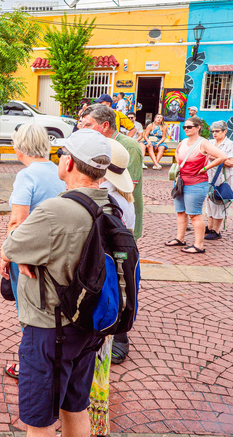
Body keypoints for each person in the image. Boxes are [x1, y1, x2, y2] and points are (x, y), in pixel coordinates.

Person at [1, 129, 110, 437]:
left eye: (64, 155)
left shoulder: (56, 211)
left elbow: (11, 246)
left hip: (51, 327)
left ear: (71, 164)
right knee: (76, 407)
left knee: (39, 422)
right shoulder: (111, 205)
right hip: (89, 324)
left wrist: (24, 251)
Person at [78, 104, 143, 365]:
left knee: (116, 289)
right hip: (114, 250)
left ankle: (117, 337)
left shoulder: (110, 197)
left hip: (114, 249)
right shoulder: (116, 195)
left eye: (88, 124)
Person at [0, 124, 66, 381]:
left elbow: (18, 221)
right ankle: (52, 360)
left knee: (28, 312)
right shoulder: (56, 171)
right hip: (55, 252)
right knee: (52, 311)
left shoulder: (27, 176)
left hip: (30, 255)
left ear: (20, 147)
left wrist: (7, 254)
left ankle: (30, 365)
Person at [90, 137, 134, 436]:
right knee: (101, 364)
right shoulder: (124, 203)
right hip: (115, 292)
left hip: (97, 289)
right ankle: (98, 421)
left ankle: (90, 421)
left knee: (88, 363)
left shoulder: (103, 203)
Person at [164, 117, 227, 254]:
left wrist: (205, 168)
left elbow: (222, 156)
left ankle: (199, 245)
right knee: (180, 212)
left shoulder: (203, 143)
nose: (186, 129)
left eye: (189, 127)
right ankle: (180, 238)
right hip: (181, 181)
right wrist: (180, 165)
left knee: (194, 214)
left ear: (198, 127)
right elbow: (177, 152)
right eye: (184, 127)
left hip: (197, 183)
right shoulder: (183, 142)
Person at [205, 121, 233, 240]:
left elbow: (231, 162)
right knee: (209, 201)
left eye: (217, 131)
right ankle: (209, 226)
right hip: (210, 177)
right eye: (213, 131)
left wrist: (215, 158)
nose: (214, 133)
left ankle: (216, 230)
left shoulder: (230, 144)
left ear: (225, 131)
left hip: (224, 178)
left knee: (219, 202)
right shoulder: (210, 143)